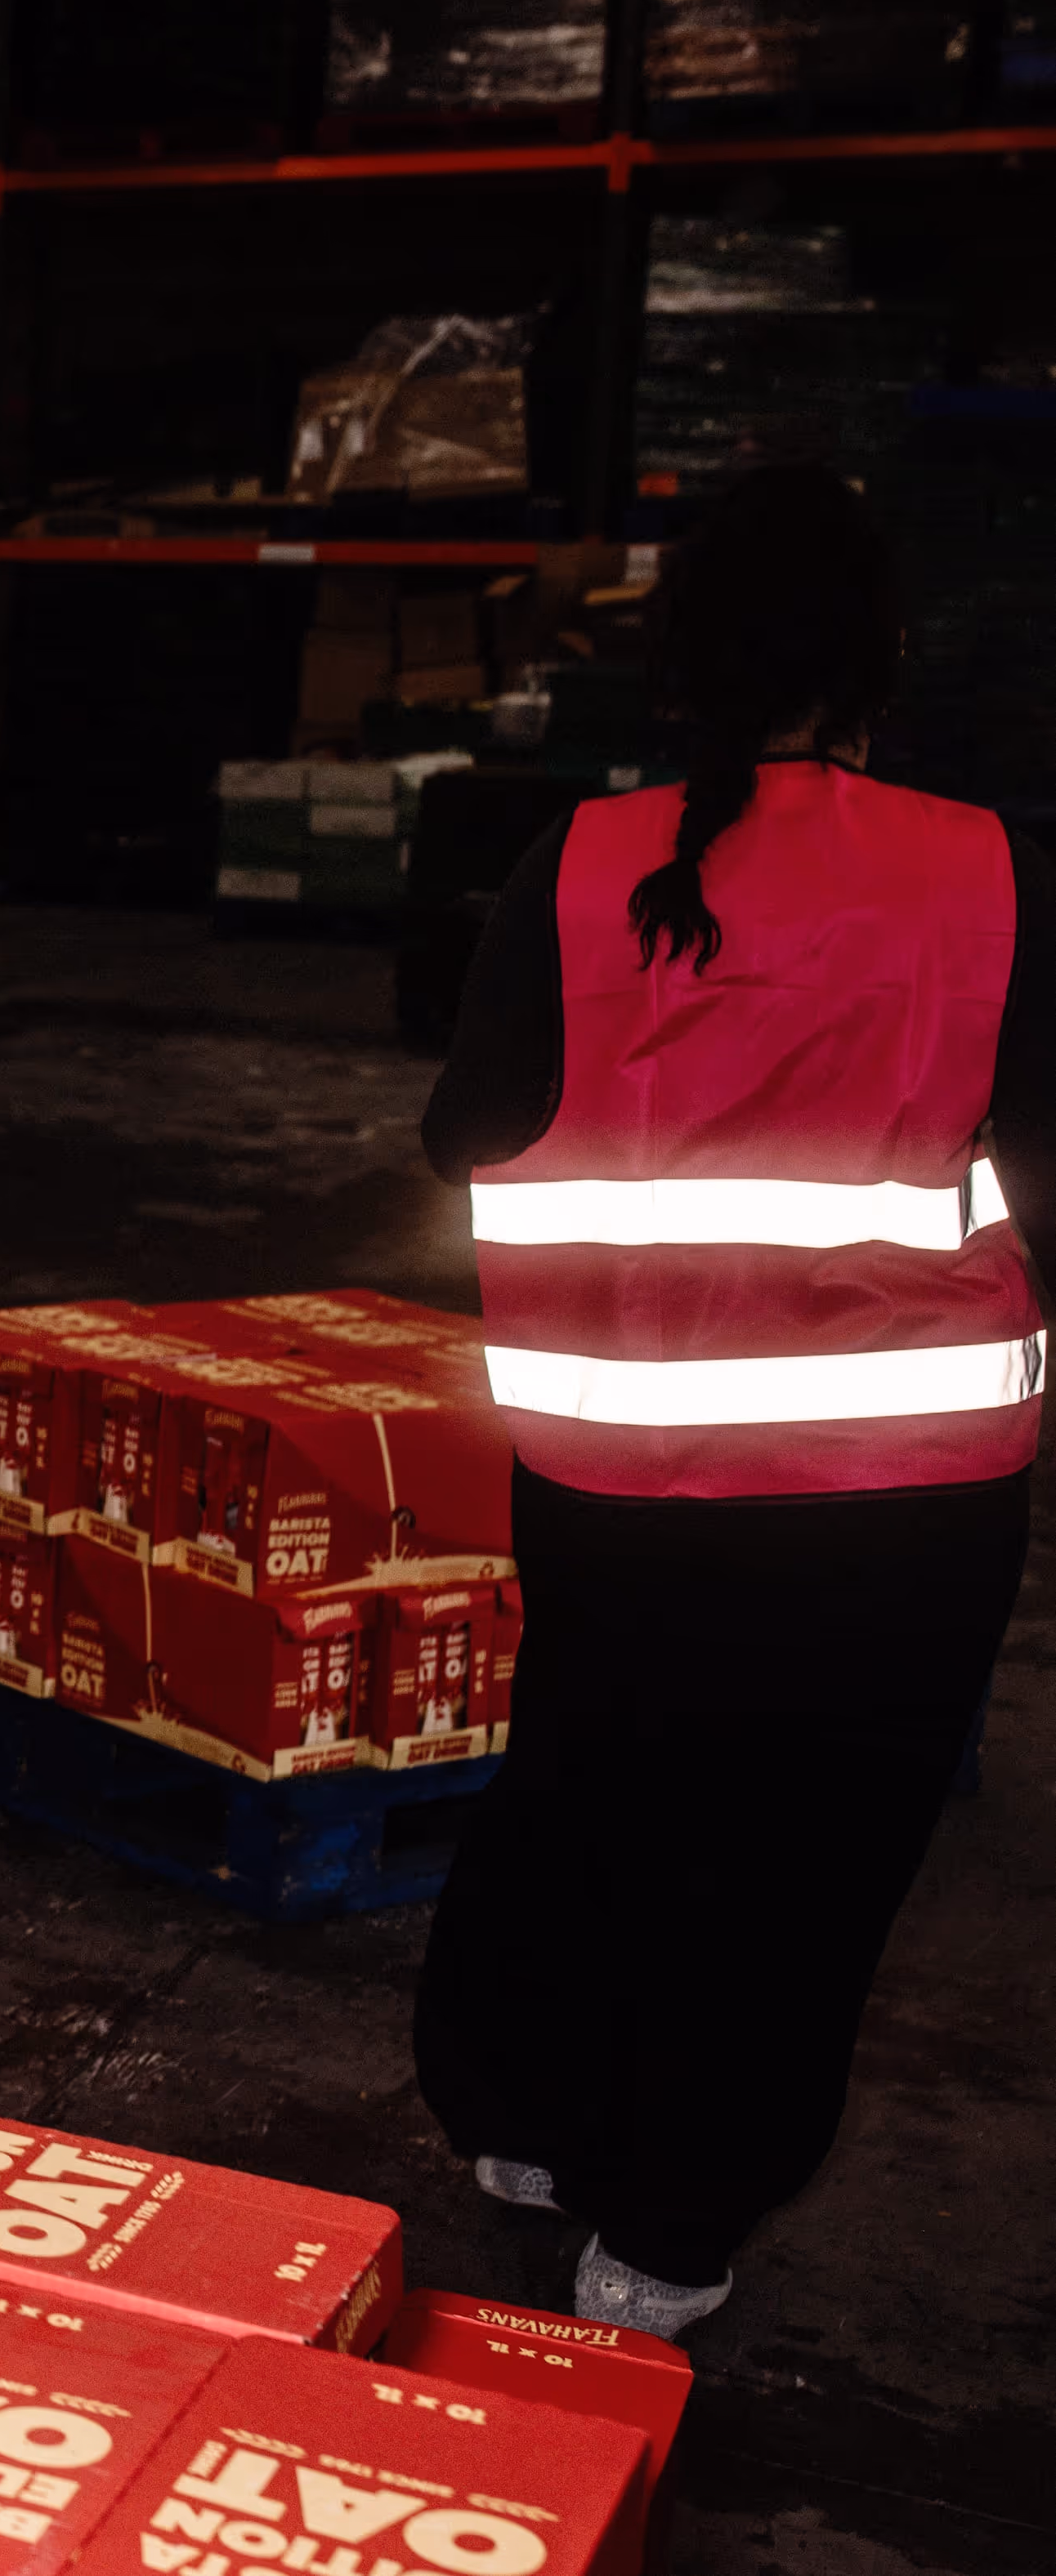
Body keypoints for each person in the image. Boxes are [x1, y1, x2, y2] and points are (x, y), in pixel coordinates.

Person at [417, 464, 1053, 2337]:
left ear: (673, 659)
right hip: (907, 1500)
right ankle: (670, 2238)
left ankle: (523, 2117)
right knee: (805, 1858)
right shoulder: (994, 870)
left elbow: (469, 1125)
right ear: (886, 659)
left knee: (598, 1783)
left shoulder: (588, 860)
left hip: (621, 1473)